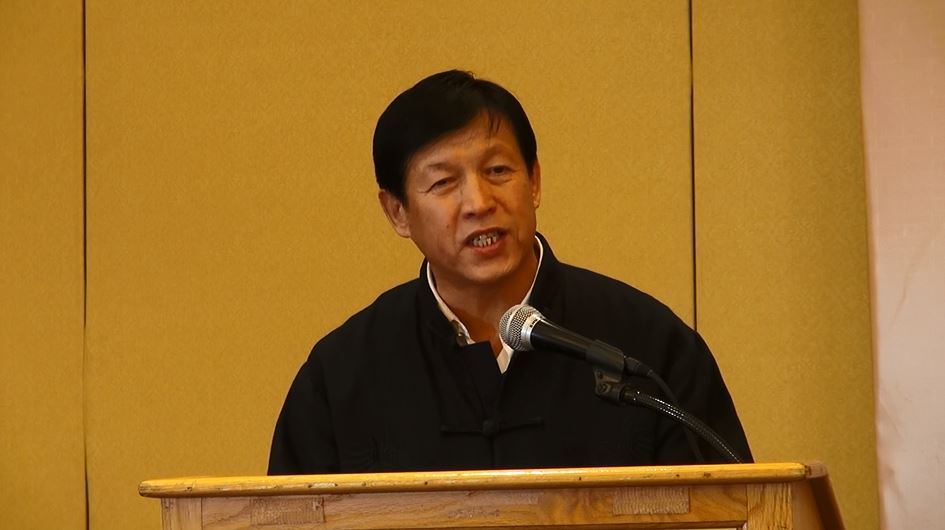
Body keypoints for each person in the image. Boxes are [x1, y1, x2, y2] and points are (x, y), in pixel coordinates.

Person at [268, 70, 751, 474]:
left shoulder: (647, 349)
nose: (479, 203)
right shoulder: (342, 376)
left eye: (498, 171)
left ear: (534, 181)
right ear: (397, 212)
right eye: (444, 182)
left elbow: (737, 510)